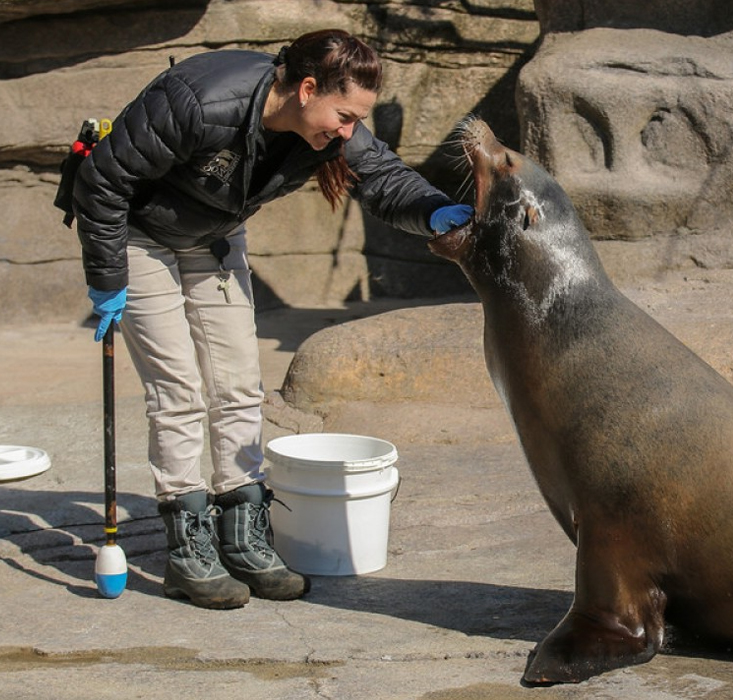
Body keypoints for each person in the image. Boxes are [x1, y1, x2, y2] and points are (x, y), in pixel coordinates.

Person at [71, 29, 473, 609]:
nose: (346, 131)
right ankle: (188, 548)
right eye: (343, 115)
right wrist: (107, 280)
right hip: (140, 235)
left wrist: (436, 211)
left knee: (238, 383)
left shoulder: (329, 130)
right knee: (178, 388)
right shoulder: (201, 99)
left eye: (356, 119)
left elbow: (385, 179)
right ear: (307, 89)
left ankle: (243, 535)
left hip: (212, 235)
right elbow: (104, 178)